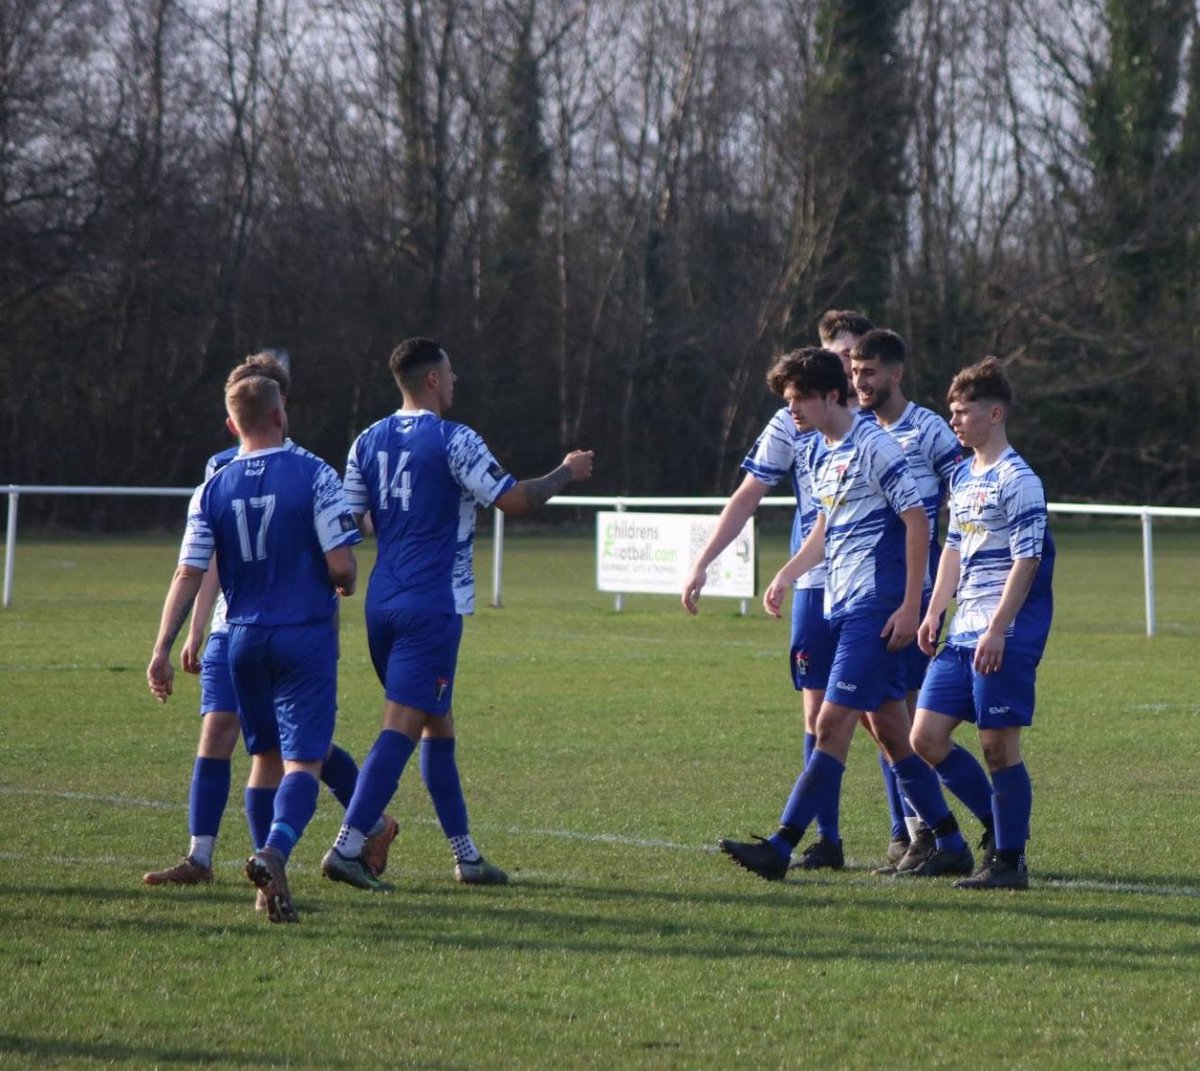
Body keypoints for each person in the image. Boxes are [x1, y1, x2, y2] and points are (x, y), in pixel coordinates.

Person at [319, 337, 595, 892]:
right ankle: (348, 847)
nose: (455, 381)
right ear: (431, 382)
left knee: (435, 724)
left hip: (383, 602)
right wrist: (567, 472)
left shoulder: (366, 441)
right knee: (401, 725)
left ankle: (467, 858)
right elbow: (513, 499)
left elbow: (352, 521)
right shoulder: (455, 439)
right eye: (450, 374)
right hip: (432, 604)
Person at [143, 354, 397, 895]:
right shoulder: (314, 474)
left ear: (235, 421)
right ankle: (273, 854)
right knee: (299, 759)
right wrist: (345, 583)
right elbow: (342, 565)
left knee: (267, 757)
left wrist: (162, 644)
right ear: (281, 414)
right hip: (300, 631)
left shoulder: (215, 485)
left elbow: (189, 570)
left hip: (242, 635)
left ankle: (273, 875)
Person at [718, 348, 974, 881]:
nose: (791, 411)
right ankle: (951, 841)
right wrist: (787, 573)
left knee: (831, 723)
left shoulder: (874, 446)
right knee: (889, 732)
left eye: (797, 400)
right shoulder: (819, 452)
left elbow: (918, 520)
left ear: (830, 396)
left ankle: (781, 845)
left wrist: (911, 605)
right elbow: (824, 532)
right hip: (841, 602)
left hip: (876, 607)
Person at [681, 312, 875, 873]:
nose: (848, 366)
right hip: (815, 580)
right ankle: (827, 840)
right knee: (819, 718)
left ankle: (914, 833)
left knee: (887, 719)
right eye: (838, 355)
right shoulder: (794, 420)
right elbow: (748, 496)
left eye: (854, 356)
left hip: (870, 585)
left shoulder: (881, 424)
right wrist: (703, 561)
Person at [850, 329, 995, 873]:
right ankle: (922, 832)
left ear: (895, 374)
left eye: (869, 373)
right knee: (878, 718)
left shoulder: (928, 428)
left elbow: (964, 492)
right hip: (868, 589)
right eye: (854, 373)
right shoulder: (858, 430)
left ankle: (944, 835)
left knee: (902, 718)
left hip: (912, 590)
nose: (860, 382)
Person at [910, 357, 1055, 890]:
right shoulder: (963, 476)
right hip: (960, 629)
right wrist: (933, 608)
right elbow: (952, 546)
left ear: (994, 413)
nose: (955, 421)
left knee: (998, 747)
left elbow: (1029, 558)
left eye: (963, 412)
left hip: (1002, 632)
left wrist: (998, 627)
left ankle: (1009, 862)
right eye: (951, 411)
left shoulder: (1019, 480)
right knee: (925, 737)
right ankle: (1001, 826)